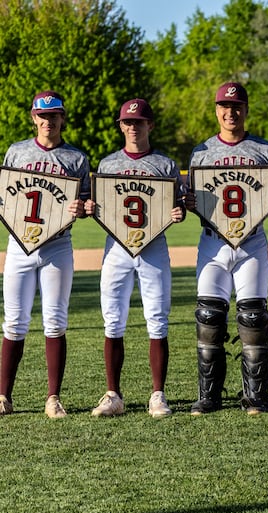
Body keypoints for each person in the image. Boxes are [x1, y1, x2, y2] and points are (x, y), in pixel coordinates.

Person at [189, 81, 268, 416]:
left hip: (252, 243)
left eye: (237, 107)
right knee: (208, 318)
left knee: (253, 318)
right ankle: (209, 396)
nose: (230, 112)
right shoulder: (201, 151)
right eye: (224, 107)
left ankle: (256, 396)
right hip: (213, 243)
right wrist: (188, 202)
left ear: (245, 110)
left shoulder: (263, 149)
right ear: (216, 110)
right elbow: (192, 196)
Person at [84, 99, 187, 418]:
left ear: (150, 125)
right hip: (116, 246)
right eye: (127, 122)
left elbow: (180, 203)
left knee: (157, 318)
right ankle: (113, 394)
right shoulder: (108, 164)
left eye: (139, 122)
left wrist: (179, 211)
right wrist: (89, 208)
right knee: (112, 319)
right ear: (121, 126)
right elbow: (97, 204)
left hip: (153, 245)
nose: (133, 127)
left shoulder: (166, 165)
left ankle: (158, 395)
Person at [0, 90, 90, 418]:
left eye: (54, 115)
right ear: (33, 117)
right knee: (14, 321)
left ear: (62, 118)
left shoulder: (76, 158)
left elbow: (86, 202)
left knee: (55, 320)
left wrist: (82, 208)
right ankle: (3, 396)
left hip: (57, 245)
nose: (47, 121)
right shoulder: (17, 152)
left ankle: (53, 398)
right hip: (19, 244)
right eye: (42, 115)